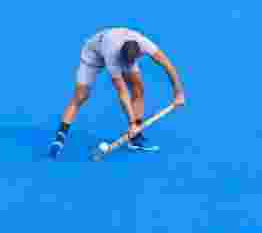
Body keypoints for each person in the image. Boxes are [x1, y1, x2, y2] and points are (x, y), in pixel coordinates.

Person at [50, 27, 186, 157]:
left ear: (139, 53)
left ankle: (136, 137)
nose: (126, 65)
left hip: (118, 49)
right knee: (81, 96)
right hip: (93, 54)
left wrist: (178, 92)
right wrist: (132, 123)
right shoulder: (112, 55)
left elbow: (168, 66)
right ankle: (60, 136)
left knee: (138, 87)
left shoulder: (145, 44)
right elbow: (122, 92)